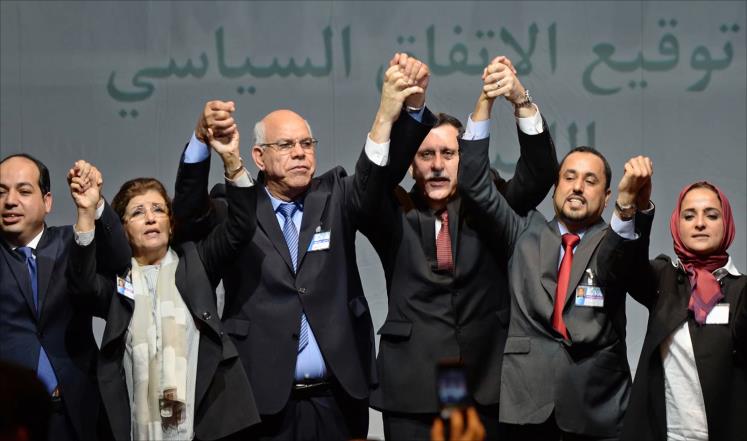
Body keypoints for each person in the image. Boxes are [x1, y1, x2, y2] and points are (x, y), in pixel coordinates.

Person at [170, 55, 429, 440]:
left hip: (337, 398)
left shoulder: (335, 193)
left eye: (307, 143)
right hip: (261, 399)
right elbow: (188, 216)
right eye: (286, 144)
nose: (299, 152)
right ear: (259, 156)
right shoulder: (234, 206)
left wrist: (395, 112)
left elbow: (377, 177)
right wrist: (200, 141)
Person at [365, 55, 558, 440]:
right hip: (413, 389)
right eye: (426, 155)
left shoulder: (489, 206)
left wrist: (520, 100)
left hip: (485, 383)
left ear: (465, 159)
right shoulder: (393, 213)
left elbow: (539, 175)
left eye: (449, 154)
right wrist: (402, 112)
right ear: (411, 164)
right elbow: (369, 185)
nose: (437, 165)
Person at [65, 125, 260, 441]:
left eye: (158, 209)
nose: (151, 218)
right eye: (137, 213)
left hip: (204, 429)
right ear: (123, 229)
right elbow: (82, 287)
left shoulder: (196, 261)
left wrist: (232, 161)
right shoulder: (120, 283)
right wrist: (87, 212)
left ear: (171, 223)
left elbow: (241, 227)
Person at [458, 139, 654, 440]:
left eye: (590, 181)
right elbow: (475, 187)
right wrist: (484, 114)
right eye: (569, 177)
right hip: (527, 405)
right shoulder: (522, 231)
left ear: (606, 197)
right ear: (554, 189)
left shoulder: (617, 241)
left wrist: (627, 206)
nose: (577, 187)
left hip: (596, 408)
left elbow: (619, 265)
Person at [0, 153, 130, 441]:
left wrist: (94, 206)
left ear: (47, 201)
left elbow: (120, 260)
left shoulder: (73, 242)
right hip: (11, 417)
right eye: (1, 192)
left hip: (78, 410)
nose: (10, 201)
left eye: (23, 191)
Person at [621, 181, 746, 441]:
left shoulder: (742, 289)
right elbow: (626, 266)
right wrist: (638, 211)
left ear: (726, 223)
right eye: (689, 216)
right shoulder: (663, 277)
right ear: (677, 225)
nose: (700, 223)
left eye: (711, 215)